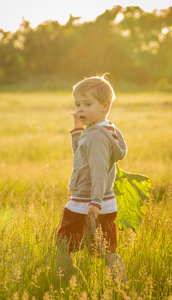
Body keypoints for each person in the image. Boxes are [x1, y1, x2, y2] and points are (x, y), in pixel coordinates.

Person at [57, 75, 128, 281]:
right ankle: (121, 284)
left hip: (86, 202)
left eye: (87, 104)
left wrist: (94, 202)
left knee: (64, 246)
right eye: (77, 104)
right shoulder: (105, 129)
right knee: (106, 249)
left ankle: (64, 283)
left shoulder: (96, 136)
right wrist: (78, 130)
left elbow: (98, 170)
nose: (80, 109)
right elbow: (81, 155)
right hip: (104, 202)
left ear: (105, 106)